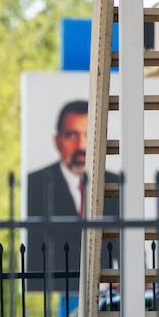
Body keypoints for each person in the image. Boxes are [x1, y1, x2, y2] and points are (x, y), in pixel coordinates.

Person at [25, 99, 118, 295]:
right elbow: (34, 256)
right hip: (56, 291)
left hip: (108, 297)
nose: (82, 145)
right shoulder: (34, 185)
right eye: (72, 135)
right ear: (57, 141)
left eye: (89, 135)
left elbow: (130, 250)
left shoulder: (116, 184)